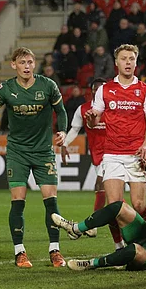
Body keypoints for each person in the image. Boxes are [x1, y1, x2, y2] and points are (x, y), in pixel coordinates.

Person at [0, 47, 69, 267]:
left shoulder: (48, 85)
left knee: (50, 200)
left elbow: (61, 111)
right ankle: (19, 251)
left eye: (30, 62)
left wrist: (62, 131)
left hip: (44, 151)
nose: (26, 66)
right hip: (17, 153)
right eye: (22, 62)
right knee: (18, 202)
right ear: (13, 65)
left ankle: (55, 250)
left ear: (34, 64)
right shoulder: (6, 88)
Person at [84, 44, 146, 235]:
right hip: (112, 154)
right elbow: (94, 121)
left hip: (136, 154)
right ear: (116, 62)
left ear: (136, 62)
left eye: (131, 59)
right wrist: (92, 119)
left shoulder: (145, 90)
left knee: (139, 205)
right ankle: (120, 247)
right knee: (115, 206)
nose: (128, 62)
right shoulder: (105, 90)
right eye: (124, 59)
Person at [61, 79, 111, 242]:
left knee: (100, 184)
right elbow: (75, 128)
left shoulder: (113, 108)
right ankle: (121, 223)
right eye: (95, 89)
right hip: (96, 154)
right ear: (91, 91)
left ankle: (93, 225)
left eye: (101, 89)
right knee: (109, 193)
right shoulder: (83, 109)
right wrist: (65, 144)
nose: (98, 91)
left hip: (113, 153)